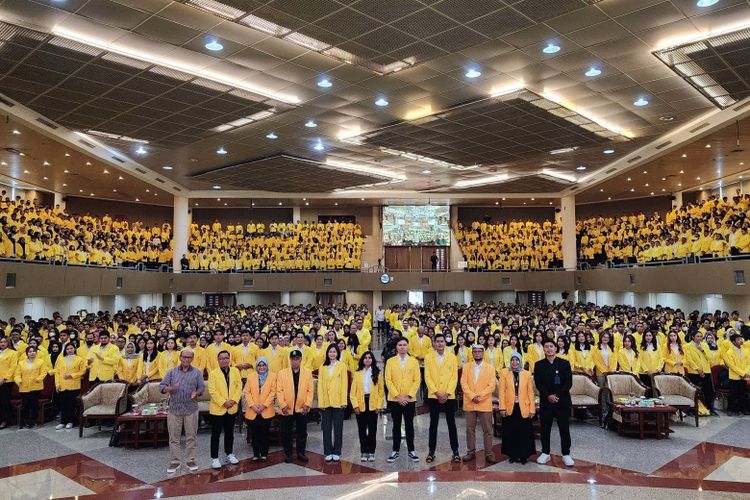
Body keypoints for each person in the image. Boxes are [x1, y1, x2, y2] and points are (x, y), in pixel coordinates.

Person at [160, 349, 205, 474]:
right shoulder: (171, 372)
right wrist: (170, 388)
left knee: (191, 437)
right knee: (174, 438)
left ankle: (190, 460)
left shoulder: (197, 372)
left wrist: (197, 392)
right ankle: (175, 462)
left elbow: (201, 387)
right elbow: (161, 386)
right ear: (180, 357)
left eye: (189, 357)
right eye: (184, 357)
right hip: (174, 409)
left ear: (192, 359)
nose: (186, 359)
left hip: (191, 409)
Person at [534, 338, 574, 467]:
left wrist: (556, 395)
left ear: (556, 348)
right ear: (543, 349)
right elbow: (538, 384)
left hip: (562, 401)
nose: (549, 349)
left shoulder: (564, 363)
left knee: (564, 428)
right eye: (546, 347)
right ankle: (545, 452)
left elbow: (568, 383)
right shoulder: (539, 365)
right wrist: (548, 396)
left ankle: (566, 454)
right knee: (545, 428)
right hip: (546, 401)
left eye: (551, 346)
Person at [424, 333, 460, 463]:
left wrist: (447, 393)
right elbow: (427, 376)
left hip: (449, 396)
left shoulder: (452, 357)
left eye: (442, 341)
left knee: (452, 424)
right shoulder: (428, 357)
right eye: (437, 341)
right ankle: (431, 451)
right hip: (434, 395)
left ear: (445, 343)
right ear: (433, 343)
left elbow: (454, 377)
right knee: (433, 425)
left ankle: (455, 451)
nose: (439, 343)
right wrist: (437, 392)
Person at [460, 344, 497, 464]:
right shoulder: (466, 367)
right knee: (470, 429)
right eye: (474, 351)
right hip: (470, 402)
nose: (477, 353)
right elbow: (463, 383)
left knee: (487, 430)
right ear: (472, 354)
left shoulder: (490, 368)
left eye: (479, 351)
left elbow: (491, 386)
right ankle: (471, 451)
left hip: (484, 403)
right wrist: (472, 396)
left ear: (483, 353)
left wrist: (479, 396)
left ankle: (489, 453)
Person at [385, 337, 420, 463]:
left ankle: (411, 450)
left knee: (410, 425)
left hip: (409, 400)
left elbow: (417, 380)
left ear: (408, 346)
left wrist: (408, 396)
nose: (402, 347)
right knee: (396, 425)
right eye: (400, 345)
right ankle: (395, 450)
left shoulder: (414, 362)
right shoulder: (390, 361)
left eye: (404, 344)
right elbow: (388, 380)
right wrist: (397, 396)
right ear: (396, 347)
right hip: (395, 400)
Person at [276, 349, 313, 463]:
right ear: (290, 360)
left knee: (302, 432)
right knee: (286, 432)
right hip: (287, 408)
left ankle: (301, 453)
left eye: (297, 359)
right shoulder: (282, 373)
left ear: (301, 359)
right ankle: (288, 454)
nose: (295, 361)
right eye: (293, 359)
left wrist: (307, 404)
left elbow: (310, 390)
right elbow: (279, 390)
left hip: (301, 407)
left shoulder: (307, 373)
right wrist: (283, 405)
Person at [498, 352, 536, 464]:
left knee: (524, 433)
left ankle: (524, 455)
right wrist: (502, 408)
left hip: (523, 407)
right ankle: (512, 455)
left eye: (517, 360)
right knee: (511, 432)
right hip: (510, 407)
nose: (515, 362)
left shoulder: (527, 374)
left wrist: (532, 409)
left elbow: (531, 393)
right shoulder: (505, 372)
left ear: (520, 361)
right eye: (513, 360)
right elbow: (501, 392)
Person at [208, 350, 242, 469]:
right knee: (216, 434)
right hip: (218, 408)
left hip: (232, 407)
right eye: (221, 358)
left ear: (229, 359)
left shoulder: (235, 371)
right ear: (218, 360)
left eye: (226, 358)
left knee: (229, 433)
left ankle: (229, 454)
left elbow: (239, 387)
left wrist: (233, 400)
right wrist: (224, 402)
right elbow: (212, 391)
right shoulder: (213, 373)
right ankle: (215, 458)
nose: (224, 360)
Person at [350, 350, 383, 462]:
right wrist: (355, 406)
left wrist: (379, 405)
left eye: (369, 357)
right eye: (365, 358)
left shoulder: (377, 373)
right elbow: (352, 393)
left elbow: (381, 392)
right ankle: (364, 451)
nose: (367, 359)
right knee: (362, 429)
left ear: (372, 360)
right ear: (362, 360)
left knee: (373, 430)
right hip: (361, 403)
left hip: (373, 404)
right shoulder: (358, 373)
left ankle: (371, 451)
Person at [318, 344, 348, 462]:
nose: (332, 354)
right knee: (326, 428)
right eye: (330, 352)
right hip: (326, 402)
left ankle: (337, 451)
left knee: (338, 428)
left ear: (337, 353)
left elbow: (344, 384)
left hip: (338, 402)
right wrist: (321, 402)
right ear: (327, 353)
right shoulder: (322, 367)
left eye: (334, 352)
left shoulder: (342, 366)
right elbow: (320, 386)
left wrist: (344, 401)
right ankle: (328, 451)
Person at [244, 357, 275, 461]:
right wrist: (253, 405)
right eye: (259, 365)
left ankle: (264, 453)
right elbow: (247, 392)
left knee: (264, 433)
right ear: (256, 366)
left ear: (267, 366)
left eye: (264, 365)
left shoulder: (272, 376)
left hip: (266, 410)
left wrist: (264, 405)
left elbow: (272, 392)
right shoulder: (250, 376)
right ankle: (256, 454)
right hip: (253, 410)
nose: (261, 367)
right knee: (255, 433)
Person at [54, 343, 85, 430]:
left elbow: (82, 371)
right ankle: (63, 422)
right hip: (62, 385)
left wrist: (72, 375)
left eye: (71, 348)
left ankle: (70, 421)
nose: (69, 350)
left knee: (71, 404)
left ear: (74, 349)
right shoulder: (61, 359)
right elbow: (57, 372)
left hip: (73, 385)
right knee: (63, 404)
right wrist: (57, 384)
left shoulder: (79, 359)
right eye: (67, 349)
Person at [685, 331, 717, 415]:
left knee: (708, 391)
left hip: (706, 370)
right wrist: (698, 369)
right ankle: (692, 409)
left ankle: (710, 408)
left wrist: (702, 350)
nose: (699, 338)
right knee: (693, 391)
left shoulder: (705, 346)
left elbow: (710, 358)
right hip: (694, 371)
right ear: (693, 337)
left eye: (700, 336)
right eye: (697, 336)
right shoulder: (687, 346)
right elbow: (689, 359)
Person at [15, 346, 48, 428]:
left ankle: (33, 421)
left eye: (33, 351)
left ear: (36, 353)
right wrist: (18, 381)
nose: (32, 353)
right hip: (24, 386)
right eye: (30, 351)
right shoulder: (21, 363)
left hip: (35, 386)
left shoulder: (41, 362)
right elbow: (17, 374)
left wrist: (38, 379)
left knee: (34, 405)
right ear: (27, 353)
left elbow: (44, 372)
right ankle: (25, 421)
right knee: (25, 405)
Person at [724, 334, 750, 415]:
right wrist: (742, 373)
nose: (741, 341)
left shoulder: (746, 351)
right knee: (733, 394)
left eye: (741, 339)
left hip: (744, 376)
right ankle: (731, 409)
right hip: (734, 376)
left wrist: (745, 373)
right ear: (733, 342)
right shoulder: (729, 352)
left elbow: (748, 364)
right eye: (738, 339)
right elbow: (732, 366)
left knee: (742, 393)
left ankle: (743, 409)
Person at [0, 336, 19, 429]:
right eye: (1, 342)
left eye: (4, 342)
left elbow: (13, 367)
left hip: (7, 381)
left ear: (8, 343)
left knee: (4, 401)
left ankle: (6, 421)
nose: (2, 344)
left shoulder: (13, 353)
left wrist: (4, 378)